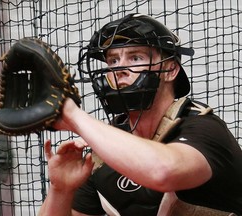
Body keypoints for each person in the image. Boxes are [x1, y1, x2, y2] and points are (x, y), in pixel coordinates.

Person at [38, 13, 242, 216]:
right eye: (113, 60)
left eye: (136, 57)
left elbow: (163, 172)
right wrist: (61, 189)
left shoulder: (203, 129)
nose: (119, 69)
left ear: (171, 70)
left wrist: (74, 115)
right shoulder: (105, 152)